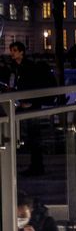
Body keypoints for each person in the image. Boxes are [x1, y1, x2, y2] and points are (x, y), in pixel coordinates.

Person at [9, 42, 57, 176]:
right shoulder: (15, 67)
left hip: (31, 105)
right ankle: (36, 166)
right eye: (11, 50)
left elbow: (34, 85)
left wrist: (30, 101)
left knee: (34, 136)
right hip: (24, 104)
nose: (12, 53)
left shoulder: (28, 67)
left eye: (14, 50)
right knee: (32, 136)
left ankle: (37, 166)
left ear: (21, 52)